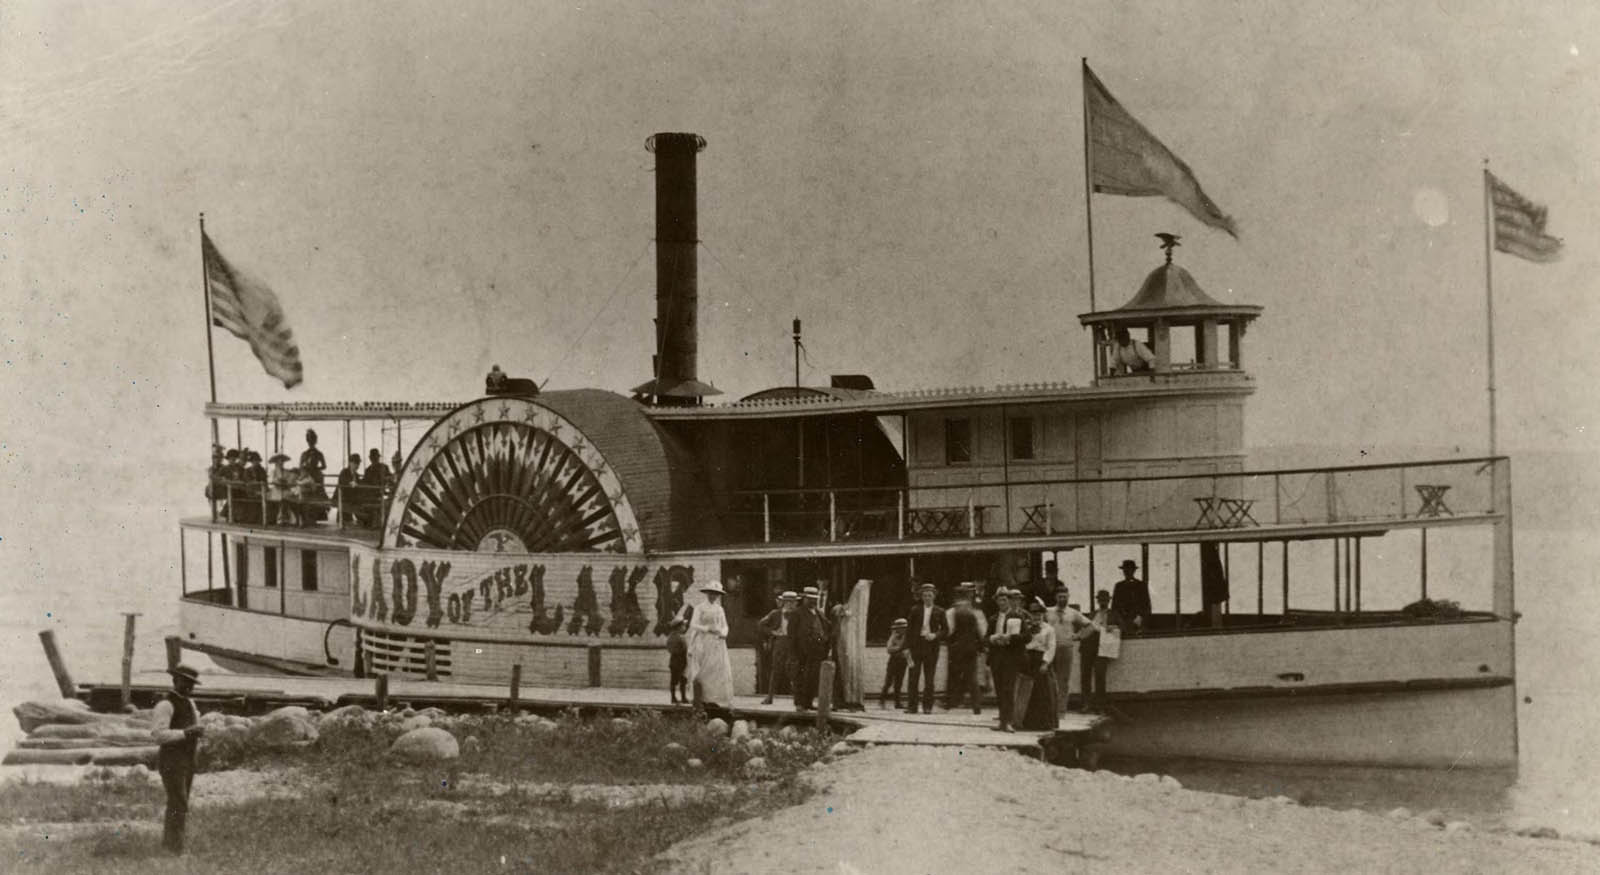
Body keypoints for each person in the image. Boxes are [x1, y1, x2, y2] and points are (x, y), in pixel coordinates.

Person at [150, 663, 204, 854]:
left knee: (181, 802)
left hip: (187, 760)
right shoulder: (165, 704)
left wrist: (198, 731)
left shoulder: (190, 704)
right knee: (178, 801)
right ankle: (174, 848)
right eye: (185, 682)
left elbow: (194, 727)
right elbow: (157, 734)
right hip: (171, 760)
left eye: (191, 683)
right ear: (175, 680)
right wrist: (186, 733)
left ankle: (171, 844)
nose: (188, 687)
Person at [685, 581, 734, 712]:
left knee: (716, 670)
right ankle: (702, 699)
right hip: (703, 640)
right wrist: (708, 629)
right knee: (703, 670)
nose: (713, 596)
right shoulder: (700, 608)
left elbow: (725, 625)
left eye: (716, 594)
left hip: (718, 642)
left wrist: (724, 633)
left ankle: (714, 699)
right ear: (707, 594)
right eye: (711, 593)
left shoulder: (719, 609)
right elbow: (693, 624)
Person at [987, 587, 1031, 732]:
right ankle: (1002, 720)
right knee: (999, 690)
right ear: (996, 602)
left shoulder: (1017, 617)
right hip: (996, 658)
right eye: (999, 600)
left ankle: (1009, 721)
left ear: (1009, 601)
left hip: (1011, 658)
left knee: (1008, 689)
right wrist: (991, 638)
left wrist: (1011, 638)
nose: (1002, 603)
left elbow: (1027, 637)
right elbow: (985, 638)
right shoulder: (993, 619)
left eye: (1005, 600)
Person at [904, 582, 947, 714]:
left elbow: (946, 630)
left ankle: (927, 706)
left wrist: (935, 635)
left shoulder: (940, 611)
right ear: (921, 597)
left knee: (929, 678)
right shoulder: (915, 610)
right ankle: (912, 706)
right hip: (916, 646)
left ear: (934, 596)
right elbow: (909, 630)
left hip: (931, 647)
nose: (927, 598)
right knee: (913, 677)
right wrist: (906, 648)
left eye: (930, 595)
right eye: (925, 595)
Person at [1077, 590, 1124, 713]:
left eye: (1105, 599)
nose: (1103, 602)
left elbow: (1123, 627)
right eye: (1101, 599)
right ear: (1097, 600)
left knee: (1100, 675)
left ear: (1109, 600)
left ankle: (1100, 704)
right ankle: (1086, 703)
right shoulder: (1092, 614)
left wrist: (1114, 627)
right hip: (1088, 647)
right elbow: (1083, 628)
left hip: (1103, 649)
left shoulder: (1114, 614)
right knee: (1085, 675)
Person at [944, 582, 986, 714]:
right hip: (971, 647)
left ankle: (951, 702)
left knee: (954, 674)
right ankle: (976, 705)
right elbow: (982, 631)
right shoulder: (976, 612)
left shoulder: (951, 611)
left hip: (956, 648)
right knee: (972, 676)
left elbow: (949, 631)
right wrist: (981, 645)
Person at [1017, 601, 1060, 730]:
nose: (1037, 617)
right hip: (1027, 661)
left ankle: (1044, 723)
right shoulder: (1026, 628)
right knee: (1027, 692)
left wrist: (1046, 663)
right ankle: (1027, 722)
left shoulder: (1048, 629)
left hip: (1040, 660)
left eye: (1039, 614)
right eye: (1034, 614)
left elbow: (1051, 647)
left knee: (1043, 692)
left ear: (1043, 615)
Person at [1045, 586, 1085, 716]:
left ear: (1068, 597)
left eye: (1064, 596)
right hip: (1051, 648)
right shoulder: (1048, 611)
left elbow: (1091, 626)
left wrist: (1078, 636)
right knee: (1050, 679)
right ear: (1055, 597)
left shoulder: (1073, 613)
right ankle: (1050, 709)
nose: (1062, 599)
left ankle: (1061, 710)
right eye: (1059, 596)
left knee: (1063, 680)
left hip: (1066, 648)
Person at [831, 580, 870, 711]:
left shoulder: (855, 612)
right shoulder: (841, 609)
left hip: (852, 648)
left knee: (852, 671)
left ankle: (853, 699)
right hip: (841, 646)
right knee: (840, 673)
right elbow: (836, 623)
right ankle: (841, 701)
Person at [790, 586, 829, 711]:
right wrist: (793, 651)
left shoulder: (819, 613)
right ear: (804, 599)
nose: (812, 602)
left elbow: (827, 627)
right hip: (801, 651)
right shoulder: (797, 613)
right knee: (800, 677)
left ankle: (808, 702)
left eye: (814, 599)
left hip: (817, 651)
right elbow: (792, 633)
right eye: (810, 599)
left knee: (813, 677)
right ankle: (800, 703)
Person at [757, 591, 798, 705]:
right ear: (783, 602)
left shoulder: (798, 614)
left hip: (793, 644)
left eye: (793, 602)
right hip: (780, 643)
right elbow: (761, 624)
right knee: (776, 670)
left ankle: (797, 699)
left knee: (794, 671)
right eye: (788, 602)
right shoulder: (775, 613)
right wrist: (772, 632)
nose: (790, 604)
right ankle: (769, 697)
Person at [1111, 560, 1152, 635]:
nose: (1127, 572)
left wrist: (1140, 618)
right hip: (1122, 622)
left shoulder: (1141, 585)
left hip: (1138, 622)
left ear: (1134, 571)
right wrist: (1120, 621)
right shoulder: (1119, 586)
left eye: (1129, 569)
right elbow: (1114, 606)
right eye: (1125, 570)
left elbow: (1147, 605)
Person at [298, 429, 328, 522]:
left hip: (316, 476)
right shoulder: (305, 454)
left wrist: (315, 469)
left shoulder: (318, 454)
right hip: (307, 476)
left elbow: (324, 466)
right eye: (310, 440)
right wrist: (306, 468)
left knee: (317, 494)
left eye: (312, 440)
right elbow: (300, 466)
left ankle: (315, 516)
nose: (311, 442)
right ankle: (307, 517)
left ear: (315, 441)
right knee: (306, 493)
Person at [880, 618, 909, 709]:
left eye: (903, 628)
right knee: (889, 681)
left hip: (903, 661)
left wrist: (898, 649)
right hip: (893, 661)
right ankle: (882, 699)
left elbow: (908, 649)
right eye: (900, 628)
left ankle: (897, 702)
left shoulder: (908, 637)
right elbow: (889, 649)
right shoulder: (893, 637)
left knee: (899, 682)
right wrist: (900, 648)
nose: (902, 630)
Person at [666, 618, 689, 704]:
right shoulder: (675, 637)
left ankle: (680, 697)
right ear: (678, 627)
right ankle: (676, 697)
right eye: (683, 625)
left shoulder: (676, 636)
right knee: (677, 680)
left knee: (679, 680)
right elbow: (672, 649)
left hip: (678, 662)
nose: (685, 627)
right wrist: (681, 651)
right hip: (677, 662)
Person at [337, 453, 363, 524]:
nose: (357, 465)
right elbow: (342, 480)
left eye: (358, 463)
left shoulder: (356, 475)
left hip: (352, 498)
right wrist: (350, 482)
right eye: (355, 463)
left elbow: (359, 484)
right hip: (343, 497)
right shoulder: (344, 472)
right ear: (350, 463)